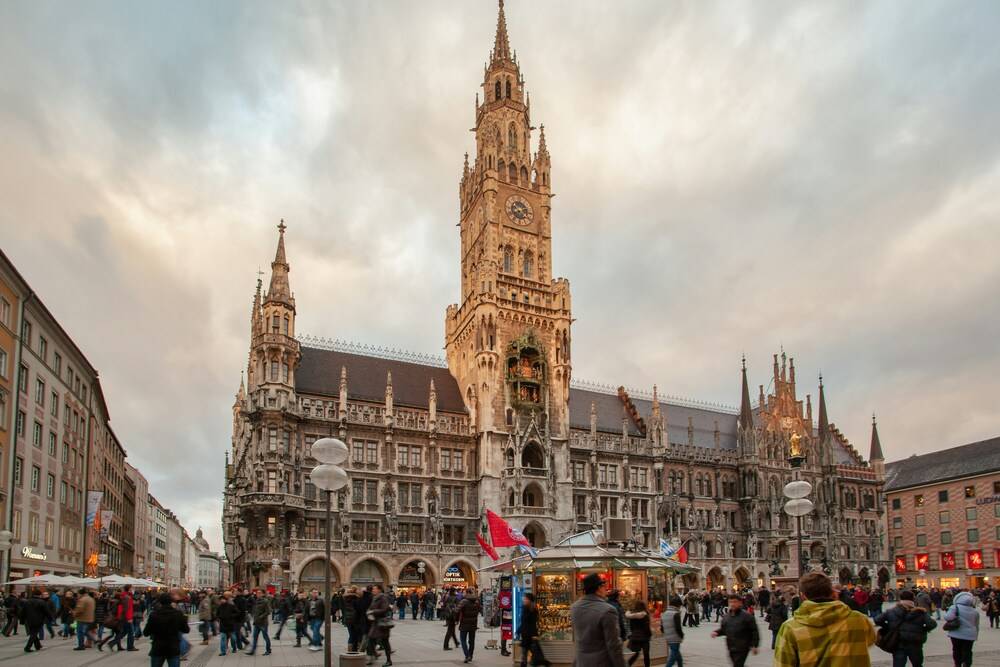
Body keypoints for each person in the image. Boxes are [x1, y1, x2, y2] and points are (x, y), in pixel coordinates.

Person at [774, 572, 875, 667]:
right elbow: (871, 640)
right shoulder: (858, 620)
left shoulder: (790, 628)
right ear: (832, 592)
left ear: (803, 596)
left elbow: (783, 664)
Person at [570, 573, 626, 667]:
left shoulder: (575, 607)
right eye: (604, 586)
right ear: (599, 588)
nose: (606, 589)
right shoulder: (608, 610)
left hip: (582, 662)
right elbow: (613, 645)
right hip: (601, 662)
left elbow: (578, 639)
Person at [875, 589, 937, 667]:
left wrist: (888, 626)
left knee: (898, 664)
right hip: (915, 642)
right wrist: (922, 629)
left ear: (900, 598)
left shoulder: (891, 611)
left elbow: (877, 620)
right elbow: (932, 624)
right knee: (917, 664)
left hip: (898, 642)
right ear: (913, 599)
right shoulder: (920, 612)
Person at [143, 592, 190, 667]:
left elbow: (146, 632)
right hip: (173, 647)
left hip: (158, 647)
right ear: (171, 601)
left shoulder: (154, 615)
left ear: (160, 602)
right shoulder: (178, 614)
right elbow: (186, 630)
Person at [711, 594, 759, 667]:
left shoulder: (747, 616)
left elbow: (754, 631)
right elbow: (724, 629)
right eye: (730, 602)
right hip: (731, 646)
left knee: (737, 664)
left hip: (743, 646)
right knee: (737, 664)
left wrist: (754, 645)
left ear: (740, 603)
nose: (732, 604)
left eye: (735, 602)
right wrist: (716, 632)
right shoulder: (726, 616)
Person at [943, 591, 979, 667]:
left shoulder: (955, 607)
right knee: (968, 651)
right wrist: (976, 635)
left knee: (956, 650)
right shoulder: (975, 611)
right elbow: (976, 624)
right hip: (970, 635)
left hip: (956, 633)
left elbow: (947, 617)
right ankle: (967, 664)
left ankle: (957, 664)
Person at [518, 593, 549, 667]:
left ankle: (542, 662)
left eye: (525, 599)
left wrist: (519, 630)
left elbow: (526, 622)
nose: (523, 600)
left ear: (529, 600)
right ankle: (542, 662)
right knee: (530, 653)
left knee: (528, 653)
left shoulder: (529, 609)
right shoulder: (531, 608)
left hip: (528, 635)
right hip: (529, 634)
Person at [366, 583, 393, 666]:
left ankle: (389, 660)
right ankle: (374, 655)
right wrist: (369, 612)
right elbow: (371, 608)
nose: (373, 590)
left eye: (374, 589)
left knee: (385, 642)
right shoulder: (375, 598)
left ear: (379, 590)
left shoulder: (383, 597)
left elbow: (384, 609)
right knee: (370, 640)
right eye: (373, 589)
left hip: (382, 624)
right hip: (376, 623)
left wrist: (372, 612)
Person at [457, 586, 481, 664]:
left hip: (464, 623)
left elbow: (457, 610)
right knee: (471, 641)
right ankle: (470, 655)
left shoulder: (464, 601)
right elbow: (480, 610)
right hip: (473, 623)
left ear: (466, 592)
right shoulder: (477, 601)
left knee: (463, 640)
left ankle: (467, 655)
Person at [625, 599, 652, 667]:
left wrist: (633, 633)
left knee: (636, 652)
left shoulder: (632, 615)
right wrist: (649, 634)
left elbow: (631, 627)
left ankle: (629, 663)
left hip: (635, 636)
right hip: (644, 637)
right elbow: (646, 627)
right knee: (646, 654)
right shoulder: (645, 615)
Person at [246, 591, 272, 656]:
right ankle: (252, 650)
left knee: (265, 637)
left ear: (263, 594)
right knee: (254, 637)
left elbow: (269, 611)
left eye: (260, 593)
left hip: (263, 623)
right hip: (256, 623)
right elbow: (254, 610)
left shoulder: (265, 601)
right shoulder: (256, 601)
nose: (258, 594)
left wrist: (261, 616)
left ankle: (268, 650)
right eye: (257, 593)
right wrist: (253, 615)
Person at [661, 595, 684, 667]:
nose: (680, 607)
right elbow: (678, 628)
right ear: (677, 605)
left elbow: (661, 628)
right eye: (680, 606)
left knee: (677, 656)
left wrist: (667, 634)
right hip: (675, 638)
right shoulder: (676, 614)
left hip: (668, 637)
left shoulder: (664, 613)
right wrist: (681, 635)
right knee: (673, 658)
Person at [216, 592, 241, 656]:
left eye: (223, 599)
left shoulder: (231, 606)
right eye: (220, 599)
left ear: (225, 600)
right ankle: (223, 651)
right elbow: (217, 614)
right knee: (223, 638)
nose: (221, 600)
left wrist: (231, 616)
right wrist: (219, 618)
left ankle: (234, 647)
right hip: (223, 625)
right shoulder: (219, 607)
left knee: (233, 638)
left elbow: (238, 612)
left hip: (230, 624)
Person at [343, 586, 365, 653]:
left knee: (351, 635)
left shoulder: (345, 599)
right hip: (356, 619)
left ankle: (349, 650)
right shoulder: (357, 598)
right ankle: (358, 649)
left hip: (348, 619)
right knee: (358, 635)